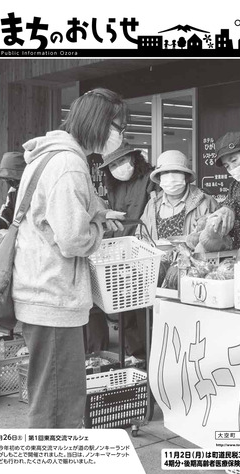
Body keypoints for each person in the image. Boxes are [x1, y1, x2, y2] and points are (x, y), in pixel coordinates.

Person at [12, 87, 127, 428]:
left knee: (50, 396)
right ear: (100, 123)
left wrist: (96, 214)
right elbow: (73, 239)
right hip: (54, 297)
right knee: (59, 406)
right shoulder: (70, 163)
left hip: (40, 290)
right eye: (118, 126)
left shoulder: (49, 155)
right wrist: (98, 228)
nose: (120, 134)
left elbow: (51, 218)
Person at [85, 141, 158, 357]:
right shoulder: (114, 186)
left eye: (123, 161)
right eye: (114, 164)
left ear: (135, 158)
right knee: (125, 306)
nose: (119, 167)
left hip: (144, 248)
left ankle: (148, 355)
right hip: (120, 250)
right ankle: (132, 353)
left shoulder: (151, 179)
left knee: (144, 309)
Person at [138, 150, 218, 241]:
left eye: (176, 171)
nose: (171, 177)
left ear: (186, 176)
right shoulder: (152, 204)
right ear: (159, 177)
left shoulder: (206, 203)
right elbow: (141, 234)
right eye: (165, 172)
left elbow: (217, 238)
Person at [0, 151, 26, 231]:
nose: (10, 182)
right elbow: (7, 213)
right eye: (6, 179)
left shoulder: (34, 191)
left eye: (13, 178)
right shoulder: (13, 191)